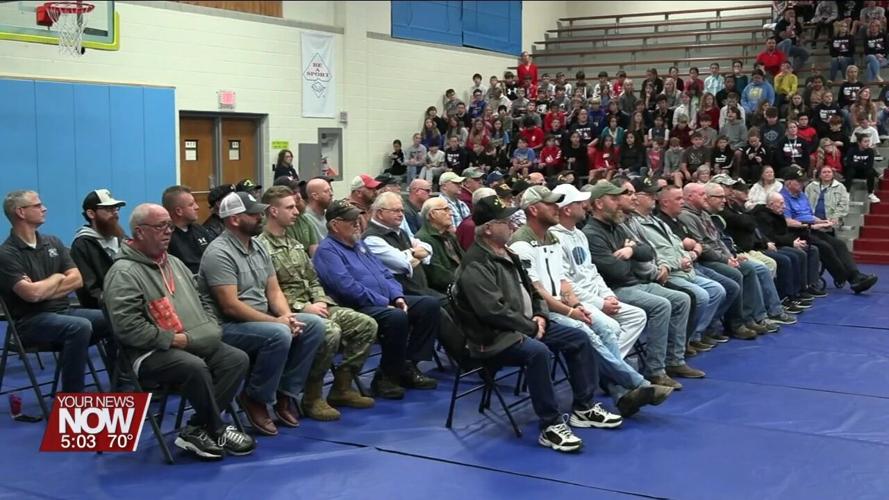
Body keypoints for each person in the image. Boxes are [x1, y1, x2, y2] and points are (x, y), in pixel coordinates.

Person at [451, 194, 620, 453]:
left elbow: (533, 290)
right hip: (492, 337)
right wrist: (530, 327)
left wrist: (540, 315)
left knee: (578, 337)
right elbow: (492, 311)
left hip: (525, 326)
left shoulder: (508, 253)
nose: (512, 224)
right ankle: (550, 425)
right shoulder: (476, 263)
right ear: (488, 229)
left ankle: (584, 408)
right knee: (537, 352)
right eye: (504, 221)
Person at [104, 203, 255, 459]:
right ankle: (216, 427)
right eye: (160, 226)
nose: (168, 231)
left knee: (236, 359)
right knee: (193, 366)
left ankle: (197, 427)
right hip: (148, 352)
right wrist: (173, 339)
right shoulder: (123, 273)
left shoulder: (173, 262)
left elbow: (202, 297)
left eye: (169, 226)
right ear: (139, 232)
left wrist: (210, 324)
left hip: (191, 340)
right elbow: (127, 327)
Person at [510, 185, 673, 415]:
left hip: (565, 303)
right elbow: (537, 292)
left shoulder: (552, 238)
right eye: (550, 204)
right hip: (542, 312)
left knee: (607, 328)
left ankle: (622, 393)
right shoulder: (521, 243)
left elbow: (563, 281)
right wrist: (571, 312)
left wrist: (576, 304)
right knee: (586, 334)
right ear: (534, 210)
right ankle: (637, 384)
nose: (557, 207)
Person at [199, 191, 325, 436]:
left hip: (261, 319)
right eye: (253, 213)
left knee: (313, 325)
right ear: (234, 219)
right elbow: (230, 306)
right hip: (228, 325)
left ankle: (285, 392)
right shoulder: (219, 253)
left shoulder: (257, 246)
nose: (260, 217)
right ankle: (255, 397)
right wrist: (278, 322)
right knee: (278, 334)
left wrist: (288, 317)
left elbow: (274, 290)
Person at [257, 186, 376, 422]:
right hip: (287, 312)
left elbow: (312, 279)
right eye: (290, 207)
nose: (296, 211)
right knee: (330, 331)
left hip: (316, 305)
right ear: (273, 211)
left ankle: (342, 387)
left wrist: (320, 299)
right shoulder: (261, 247)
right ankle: (312, 397)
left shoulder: (294, 244)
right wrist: (303, 308)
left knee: (366, 324)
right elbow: (268, 291)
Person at [313, 200, 440, 399]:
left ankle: (408, 365)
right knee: (396, 317)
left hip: (383, 300)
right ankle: (385, 379)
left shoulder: (359, 244)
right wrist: (383, 302)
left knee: (428, 305)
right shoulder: (327, 251)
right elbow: (346, 287)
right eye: (351, 220)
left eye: (358, 219)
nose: (357, 223)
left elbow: (385, 273)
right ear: (335, 225)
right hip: (356, 306)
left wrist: (397, 296)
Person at [583, 181, 701, 389]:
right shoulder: (592, 234)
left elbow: (648, 252)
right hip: (615, 290)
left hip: (636, 282)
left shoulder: (618, 226)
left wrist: (630, 251)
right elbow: (616, 272)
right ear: (599, 204)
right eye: (614, 199)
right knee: (661, 305)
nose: (620, 203)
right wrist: (633, 255)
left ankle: (674, 361)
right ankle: (655, 370)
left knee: (682, 299)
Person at [0, 190, 113, 395]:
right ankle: (72, 396)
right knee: (79, 326)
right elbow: (31, 295)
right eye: (37, 205)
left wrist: (42, 288)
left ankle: (122, 382)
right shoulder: (6, 253)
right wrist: (58, 277)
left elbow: (77, 280)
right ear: (20, 212)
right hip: (30, 321)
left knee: (114, 318)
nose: (44, 208)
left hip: (63, 312)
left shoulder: (53, 242)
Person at [628, 178, 728, 355]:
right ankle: (679, 346)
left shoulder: (656, 220)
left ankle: (689, 339)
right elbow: (654, 253)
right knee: (699, 296)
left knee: (717, 289)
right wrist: (680, 261)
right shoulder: (637, 224)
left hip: (683, 267)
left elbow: (676, 244)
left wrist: (689, 256)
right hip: (667, 272)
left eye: (654, 193)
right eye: (649, 194)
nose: (654, 197)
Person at [549, 184, 647, 358]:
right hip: (577, 301)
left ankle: (606, 363)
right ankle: (612, 366)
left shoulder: (579, 234)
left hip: (597, 295)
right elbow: (565, 284)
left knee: (637, 316)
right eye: (579, 203)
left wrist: (607, 295)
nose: (584, 205)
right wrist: (600, 303)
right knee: (612, 327)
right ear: (567, 210)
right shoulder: (553, 238)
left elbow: (592, 271)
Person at [678, 183, 776, 338]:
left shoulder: (704, 214)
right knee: (737, 273)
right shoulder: (686, 216)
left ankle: (749, 317)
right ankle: (735, 323)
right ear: (690, 197)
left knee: (748, 268)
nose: (705, 198)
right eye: (702, 195)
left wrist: (730, 256)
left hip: (719, 257)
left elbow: (718, 240)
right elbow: (702, 246)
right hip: (705, 260)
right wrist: (725, 260)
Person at [779, 166, 878, 292]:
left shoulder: (801, 195)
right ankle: (848, 278)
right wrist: (811, 226)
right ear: (788, 183)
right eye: (799, 181)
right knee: (824, 246)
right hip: (795, 232)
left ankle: (856, 275)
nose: (802, 183)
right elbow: (787, 221)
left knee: (839, 243)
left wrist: (823, 221)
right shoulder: (782, 198)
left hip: (810, 228)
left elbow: (809, 215)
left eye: (803, 181)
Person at [751, 192, 827, 300]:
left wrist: (794, 241)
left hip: (783, 242)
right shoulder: (762, 216)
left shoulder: (778, 213)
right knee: (797, 255)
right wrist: (791, 243)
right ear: (771, 204)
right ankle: (794, 291)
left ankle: (810, 284)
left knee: (812, 249)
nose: (784, 206)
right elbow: (771, 237)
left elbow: (784, 233)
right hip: (772, 245)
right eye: (781, 203)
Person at [71, 189, 127, 310]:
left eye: (116, 208)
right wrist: (118, 303)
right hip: (105, 307)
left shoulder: (123, 239)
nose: (115, 213)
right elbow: (89, 291)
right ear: (91, 214)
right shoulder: (82, 245)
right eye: (108, 209)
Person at [415, 197, 463, 294]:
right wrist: (466, 282)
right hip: (447, 290)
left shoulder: (449, 235)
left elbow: (465, 260)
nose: (451, 213)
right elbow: (437, 276)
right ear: (433, 214)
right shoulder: (423, 239)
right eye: (446, 209)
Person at [163, 185, 213, 275]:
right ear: (179, 211)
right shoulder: (165, 236)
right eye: (191, 204)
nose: (197, 207)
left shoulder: (199, 229)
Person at [843, 133, 881, 203]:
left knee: (870, 171)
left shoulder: (870, 151)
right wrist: (862, 163)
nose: (868, 143)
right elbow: (848, 163)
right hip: (853, 172)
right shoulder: (852, 150)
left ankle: (870, 194)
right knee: (850, 170)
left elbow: (869, 165)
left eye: (868, 141)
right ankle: (846, 193)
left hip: (864, 172)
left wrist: (856, 163)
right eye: (865, 141)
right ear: (859, 143)